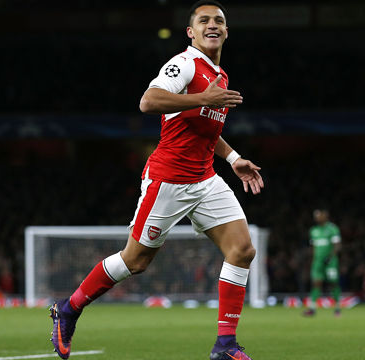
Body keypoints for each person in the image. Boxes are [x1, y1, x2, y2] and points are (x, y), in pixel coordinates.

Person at [48, 1, 263, 360]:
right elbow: (148, 102)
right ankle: (68, 309)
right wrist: (201, 97)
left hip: (205, 177)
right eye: (204, 20)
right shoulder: (183, 64)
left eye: (219, 21)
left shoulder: (220, 76)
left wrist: (235, 158)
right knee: (136, 261)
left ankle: (225, 345)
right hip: (169, 180)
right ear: (191, 32)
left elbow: (205, 126)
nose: (213, 24)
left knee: (242, 249)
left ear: (226, 32)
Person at [303, 209, 342, 317]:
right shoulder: (313, 230)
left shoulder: (332, 229)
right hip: (318, 262)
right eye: (315, 216)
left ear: (325, 216)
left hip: (331, 262)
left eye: (319, 216)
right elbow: (313, 248)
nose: (317, 218)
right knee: (316, 283)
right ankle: (312, 308)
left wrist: (330, 257)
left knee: (333, 283)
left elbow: (337, 246)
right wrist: (312, 260)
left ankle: (337, 308)